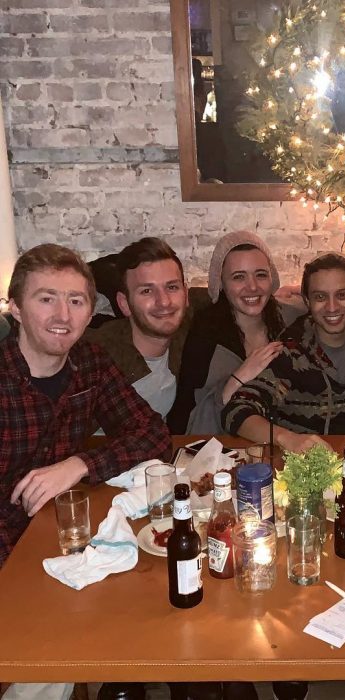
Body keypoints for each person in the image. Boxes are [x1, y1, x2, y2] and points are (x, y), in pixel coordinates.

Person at [0, 244, 171, 700]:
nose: (63, 314)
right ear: (14, 308)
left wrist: (78, 465)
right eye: (46, 298)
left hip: (62, 540)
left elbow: (151, 432)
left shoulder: (90, 364)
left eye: (76, 301)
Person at [222, 251, 345, 453]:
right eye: (320, 297)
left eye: (342, 295)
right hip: (306, 469)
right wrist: (288, 439)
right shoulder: (291, 351)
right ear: (307, 302)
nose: (332, 307)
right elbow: (237, 411)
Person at [168, 231, 300, 435]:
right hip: (224, 449)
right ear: (221, 283)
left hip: (287, 443)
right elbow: (190, 417)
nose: (253, 286)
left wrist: (305, 288)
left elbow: (339, 299)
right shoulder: (205, 335)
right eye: (239, 277)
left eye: (261, 275)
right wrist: (240, 376)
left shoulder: (289, 319)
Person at [86, 237, 189, 420]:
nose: (164, 301)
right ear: (124, 304)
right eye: (147, 291)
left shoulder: (190, 335)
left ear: (186, 295)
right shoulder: (97, 356)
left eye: (172, 287)